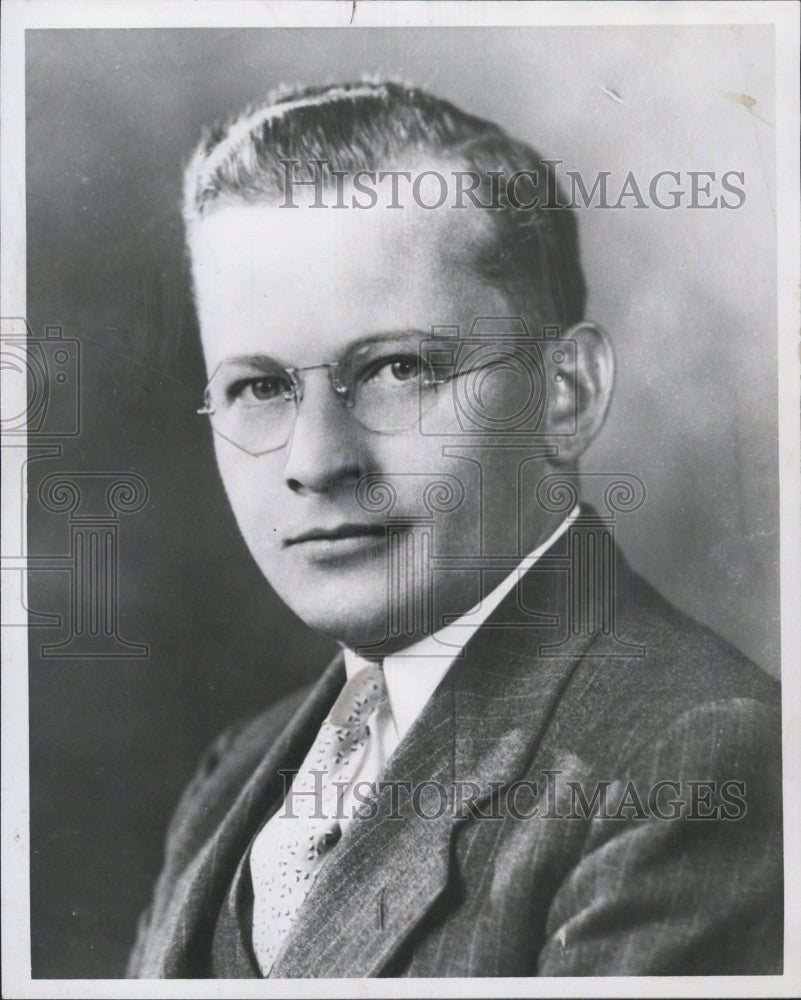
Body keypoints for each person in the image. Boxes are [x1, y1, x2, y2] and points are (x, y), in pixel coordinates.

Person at [127, 80, 782, 978]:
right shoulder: (232, 777)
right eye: (261, 387)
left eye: (397, 368)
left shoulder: (699, 763)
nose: (316, 462)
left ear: (567, 394)